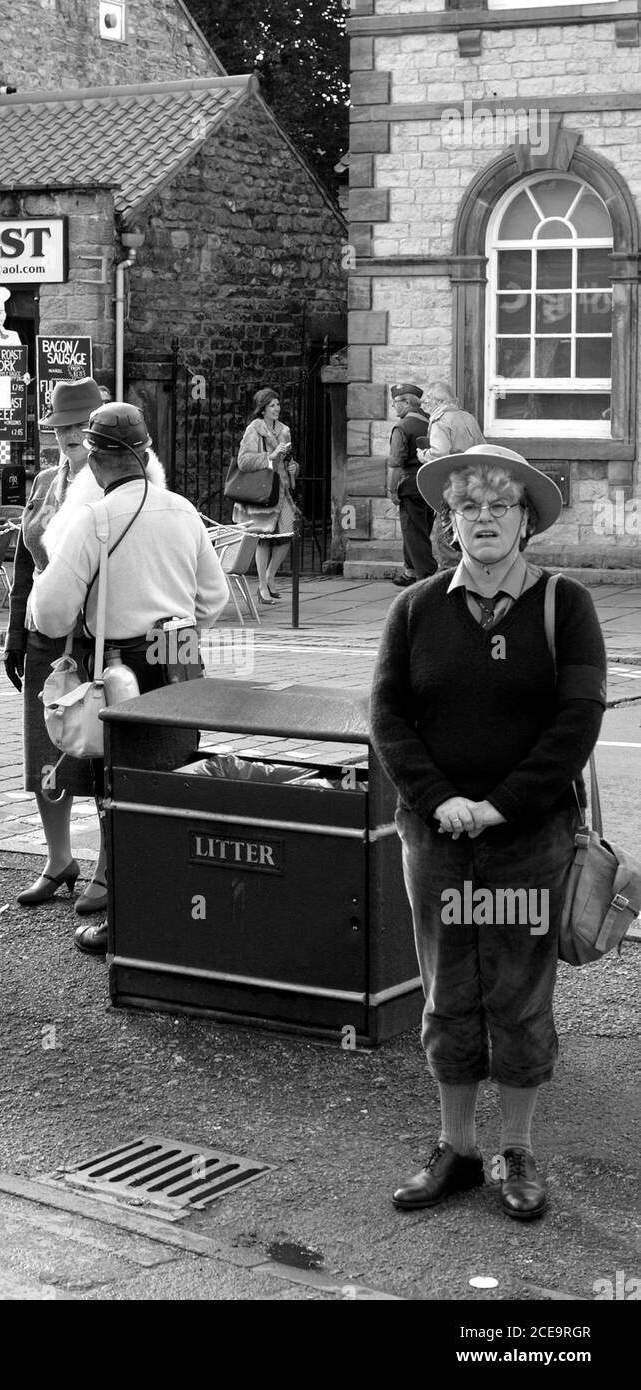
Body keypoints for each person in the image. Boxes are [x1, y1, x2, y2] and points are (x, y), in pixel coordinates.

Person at [370, 444, 606, 1221]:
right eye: (468, 506)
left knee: (516, 992)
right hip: (437, 842)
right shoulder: (416, 608)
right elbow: (388, 719)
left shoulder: (563, 606)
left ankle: (516, 1150)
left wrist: (499, 805)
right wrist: (438, 800)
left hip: (526, 842)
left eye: (500, 505)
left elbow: (576, 723)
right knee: (447, 990)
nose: (484, 519)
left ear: (526, 520)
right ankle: (457, 1149)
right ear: (450, 522)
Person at [31, 401, 229, 956]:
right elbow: (212, 598)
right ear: (145, 454)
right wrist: (173, 627)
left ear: (95, 463)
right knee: (172, 779)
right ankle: (180, 906)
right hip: (179, 655)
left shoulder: (94, 520)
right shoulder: (185, 511)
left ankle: (130, 923)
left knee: (120, 791)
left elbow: (51, 616)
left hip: (121, 667)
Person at [4, 379, 168, 915]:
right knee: (47, 752)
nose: (70, 436)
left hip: (96, 640)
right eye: (61, 427)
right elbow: (26, 563)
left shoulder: (119, 485)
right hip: (44, 636)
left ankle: (104, 868)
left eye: (79, 426)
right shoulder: (48, 480)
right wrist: (13, 631)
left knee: (96, 754)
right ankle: (59, 860)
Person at [232, 387, 299, 604]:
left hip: (282, 489)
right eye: (272, 405)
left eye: (278, 405)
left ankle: (271, 576)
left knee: (288, 534)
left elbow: (289, 460)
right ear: (262, 410)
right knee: (263, 540)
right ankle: (262, 587)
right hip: (263, 491)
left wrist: (293, 468)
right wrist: (270, 457)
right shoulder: (254, 429)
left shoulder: (285, 431)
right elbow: (244, 461)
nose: (276, 409)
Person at [386, 382, 433, 588]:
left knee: (413, 532)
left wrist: (391, 489)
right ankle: (410, 572)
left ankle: (426, 576)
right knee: (418, 529)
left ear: (406, 402)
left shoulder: (402, 427)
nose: (394, 407)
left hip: (410, 483)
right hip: (430, 483)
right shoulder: (430, 422)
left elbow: (396, 463)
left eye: (396, 402)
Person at [417, 382, 485, 464]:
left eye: (429, 397)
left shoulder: (440, 421)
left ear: (439, 401)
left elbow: (439, 454)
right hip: (474, 469)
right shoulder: (468, 416)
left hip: (454, 471)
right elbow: (482, 447)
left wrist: (422, 455)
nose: (426, 401)